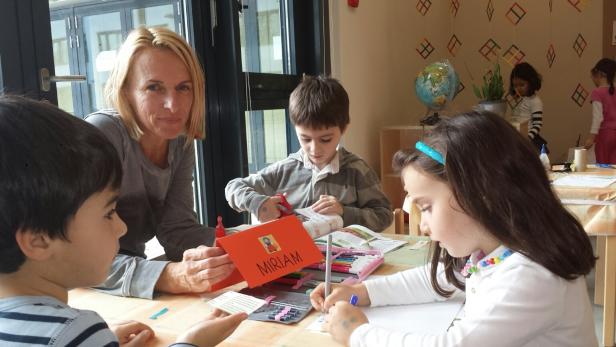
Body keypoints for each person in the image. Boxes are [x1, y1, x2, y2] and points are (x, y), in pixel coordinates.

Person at [310, 111, 597, 346]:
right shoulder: (497, 251)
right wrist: (360, 291)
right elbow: (439, 278)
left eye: (426, 208)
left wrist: (358, 334)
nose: (421, 226)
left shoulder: (531, 277)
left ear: (479, 196)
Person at [0, 95, 246, 347]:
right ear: (39, 240)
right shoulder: (75, 333)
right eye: (108, 213)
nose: (121, 227)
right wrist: (192, 343)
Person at [85, 27, 234, 299]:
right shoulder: (101, 135)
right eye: (154, 87)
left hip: (128, 282)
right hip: (82, 290)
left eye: (183, 88)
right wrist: (171, 275)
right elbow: (78, 257)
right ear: (126, 91)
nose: (173, 105)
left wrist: (246, 244)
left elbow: (176, 230)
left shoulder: (180, 142)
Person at [225, 75, 393, 232]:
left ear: (344, 129)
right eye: (305, 139)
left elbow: (384, 215)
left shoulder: (357, 170)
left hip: (347, 258)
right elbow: (234, 187)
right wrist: (259, 204)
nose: (315, 149)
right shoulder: (285, 170)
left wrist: (344, 212)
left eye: (325, 139)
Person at [584, 58, 616, 164]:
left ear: (600, 75)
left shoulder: (597, 92)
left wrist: (591, 138)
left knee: (603, 167)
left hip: (605, 135)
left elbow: (598, 117)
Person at [509, 62, 547, 152]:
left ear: (531, 82)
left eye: (522, 85)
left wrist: (528, 137)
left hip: (529, 138)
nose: (518, 89)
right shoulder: (519, 99)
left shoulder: (535, 101)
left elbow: (538, 124)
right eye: (515, 86)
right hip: (518, 137)